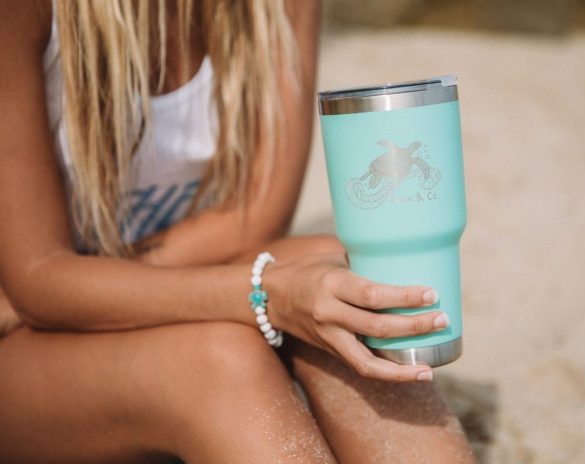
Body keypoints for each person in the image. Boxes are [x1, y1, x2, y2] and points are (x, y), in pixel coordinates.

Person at [0, 1, 476, 462]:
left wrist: (80, 287)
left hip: (86, 289)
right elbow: (39, 277)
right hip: (18, 341)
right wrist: (265, 294)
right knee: (219, 361)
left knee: (345, 282)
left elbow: (255, 218)